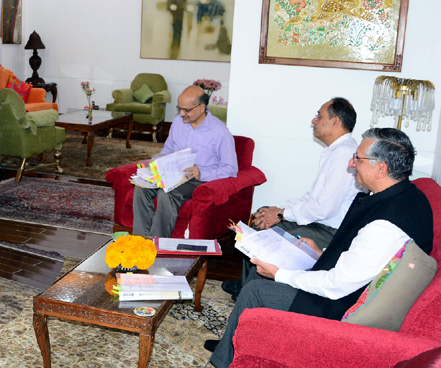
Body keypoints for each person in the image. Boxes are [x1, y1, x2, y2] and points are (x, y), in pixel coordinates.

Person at [205, 128, 433, 367]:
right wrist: (320, 253)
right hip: (352, 285)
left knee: (256, 291)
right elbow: (363, 259)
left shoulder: (385, 224)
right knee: (272, 258)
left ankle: (226, 358)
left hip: (340, 307)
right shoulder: (408, 197)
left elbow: (337, 286)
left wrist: (279, 274)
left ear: (381, 169)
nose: (351, 163)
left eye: (358, 158)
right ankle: (233, 342)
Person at [222, 98, 361, 298]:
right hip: (319, 222)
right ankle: (246, 285)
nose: (314, 120)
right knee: (262, 214)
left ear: (335, 121)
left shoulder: (344, 154)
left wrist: (280, 215)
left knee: (269, 234)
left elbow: (323, 209)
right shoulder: (335, 151)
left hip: (329, 230)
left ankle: (252, 293)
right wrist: (277, 210)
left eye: (319, 116)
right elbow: (311, 197)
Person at [131, 86, 237, 238]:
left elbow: (231, 169)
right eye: (179, 108)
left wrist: (201, 173)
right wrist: (155, 162)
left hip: (198, 180)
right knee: (141, 187)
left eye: (186, 110)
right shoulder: (178, 122)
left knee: (166, 194)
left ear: (201, 108)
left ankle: (156, 246)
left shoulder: (220, 132)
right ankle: (140, 241)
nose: (181, 114)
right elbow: (168, 149)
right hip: (172, 173)